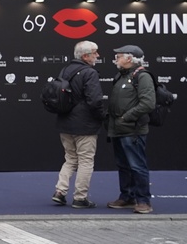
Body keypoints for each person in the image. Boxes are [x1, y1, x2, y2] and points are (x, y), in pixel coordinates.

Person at [51, 40, 106, 209]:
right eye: (95, 52)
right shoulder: (89, 73)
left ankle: (60, 192)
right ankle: (80, 198)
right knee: (85, 160)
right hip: (85, 125)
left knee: (70, 159)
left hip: (65, 123)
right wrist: (103, 116)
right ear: (85, 56)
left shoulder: (65, 70)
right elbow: (95, 100)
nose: (98, 56)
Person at [105, 45, 156, 214]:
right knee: (123, 165)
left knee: (137, 166)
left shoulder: (142, 77)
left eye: (118, 56)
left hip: (133, 130)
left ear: (129, 58)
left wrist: (127, 117)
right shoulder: (120, 75)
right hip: (117, 129)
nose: (116, 60)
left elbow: (148, 103)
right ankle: (127, 197)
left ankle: (143, 201)